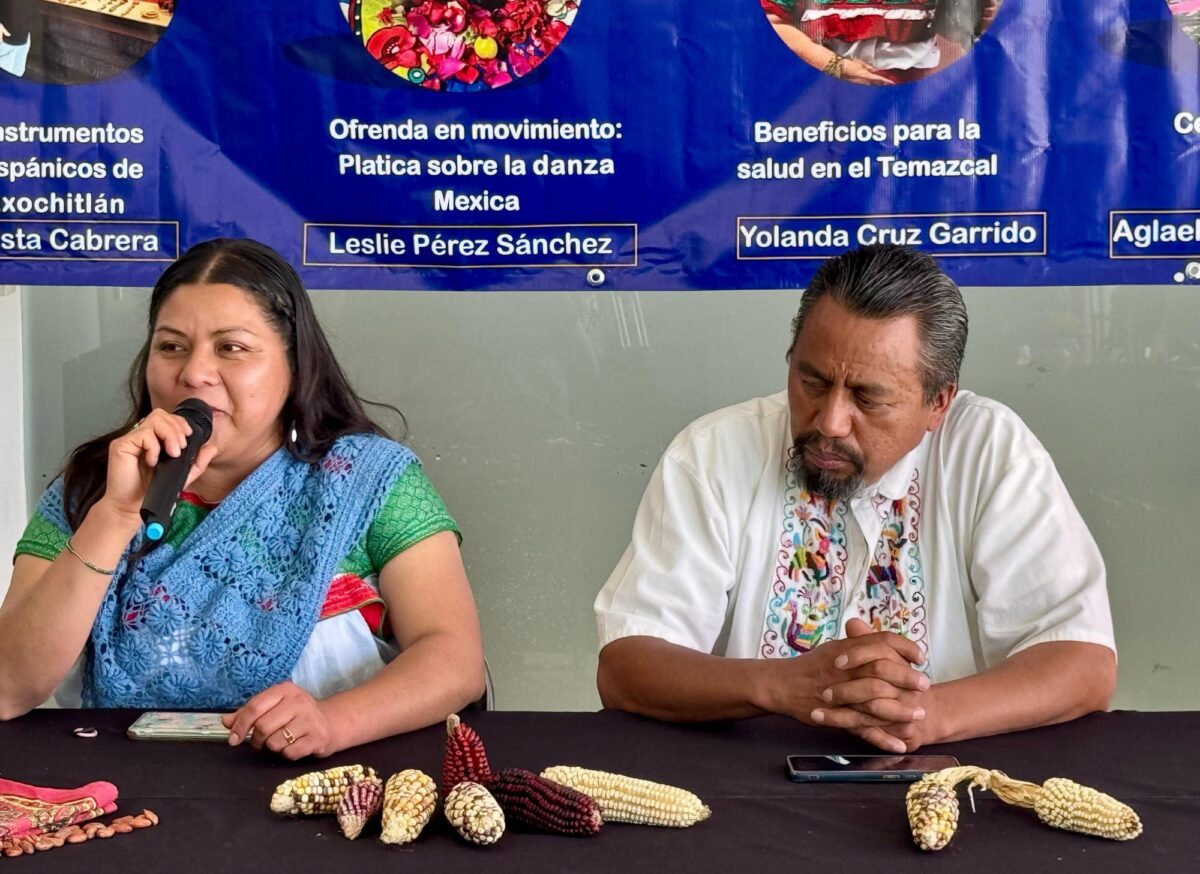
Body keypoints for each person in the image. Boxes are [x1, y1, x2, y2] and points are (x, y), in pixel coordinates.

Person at [595, 244, 1116, 753]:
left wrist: (926, 716)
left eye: (868, 397)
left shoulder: (989, 450)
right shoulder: (714, 452)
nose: (830, 421)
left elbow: (1082, 660)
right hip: (741, 788)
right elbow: (626, 666)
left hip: (946, 781)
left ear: (938, 403)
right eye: (812, 381)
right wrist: (780, 684)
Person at [0, 238, 486, 758]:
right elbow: (9, 687)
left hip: (323, 791)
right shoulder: (88, 487)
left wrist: (332, 721)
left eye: (231, 348)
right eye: (171, 346)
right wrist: (115, 516)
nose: (193, 373)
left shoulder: (367, 480)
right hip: (125, 791)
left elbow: (455, 661)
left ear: (293, 365)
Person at [760, 0, 1000, 86]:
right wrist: (838, 67)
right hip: (824, 94)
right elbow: (776, 24)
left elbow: (962, 28)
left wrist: (980, 16)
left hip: (920, 91)